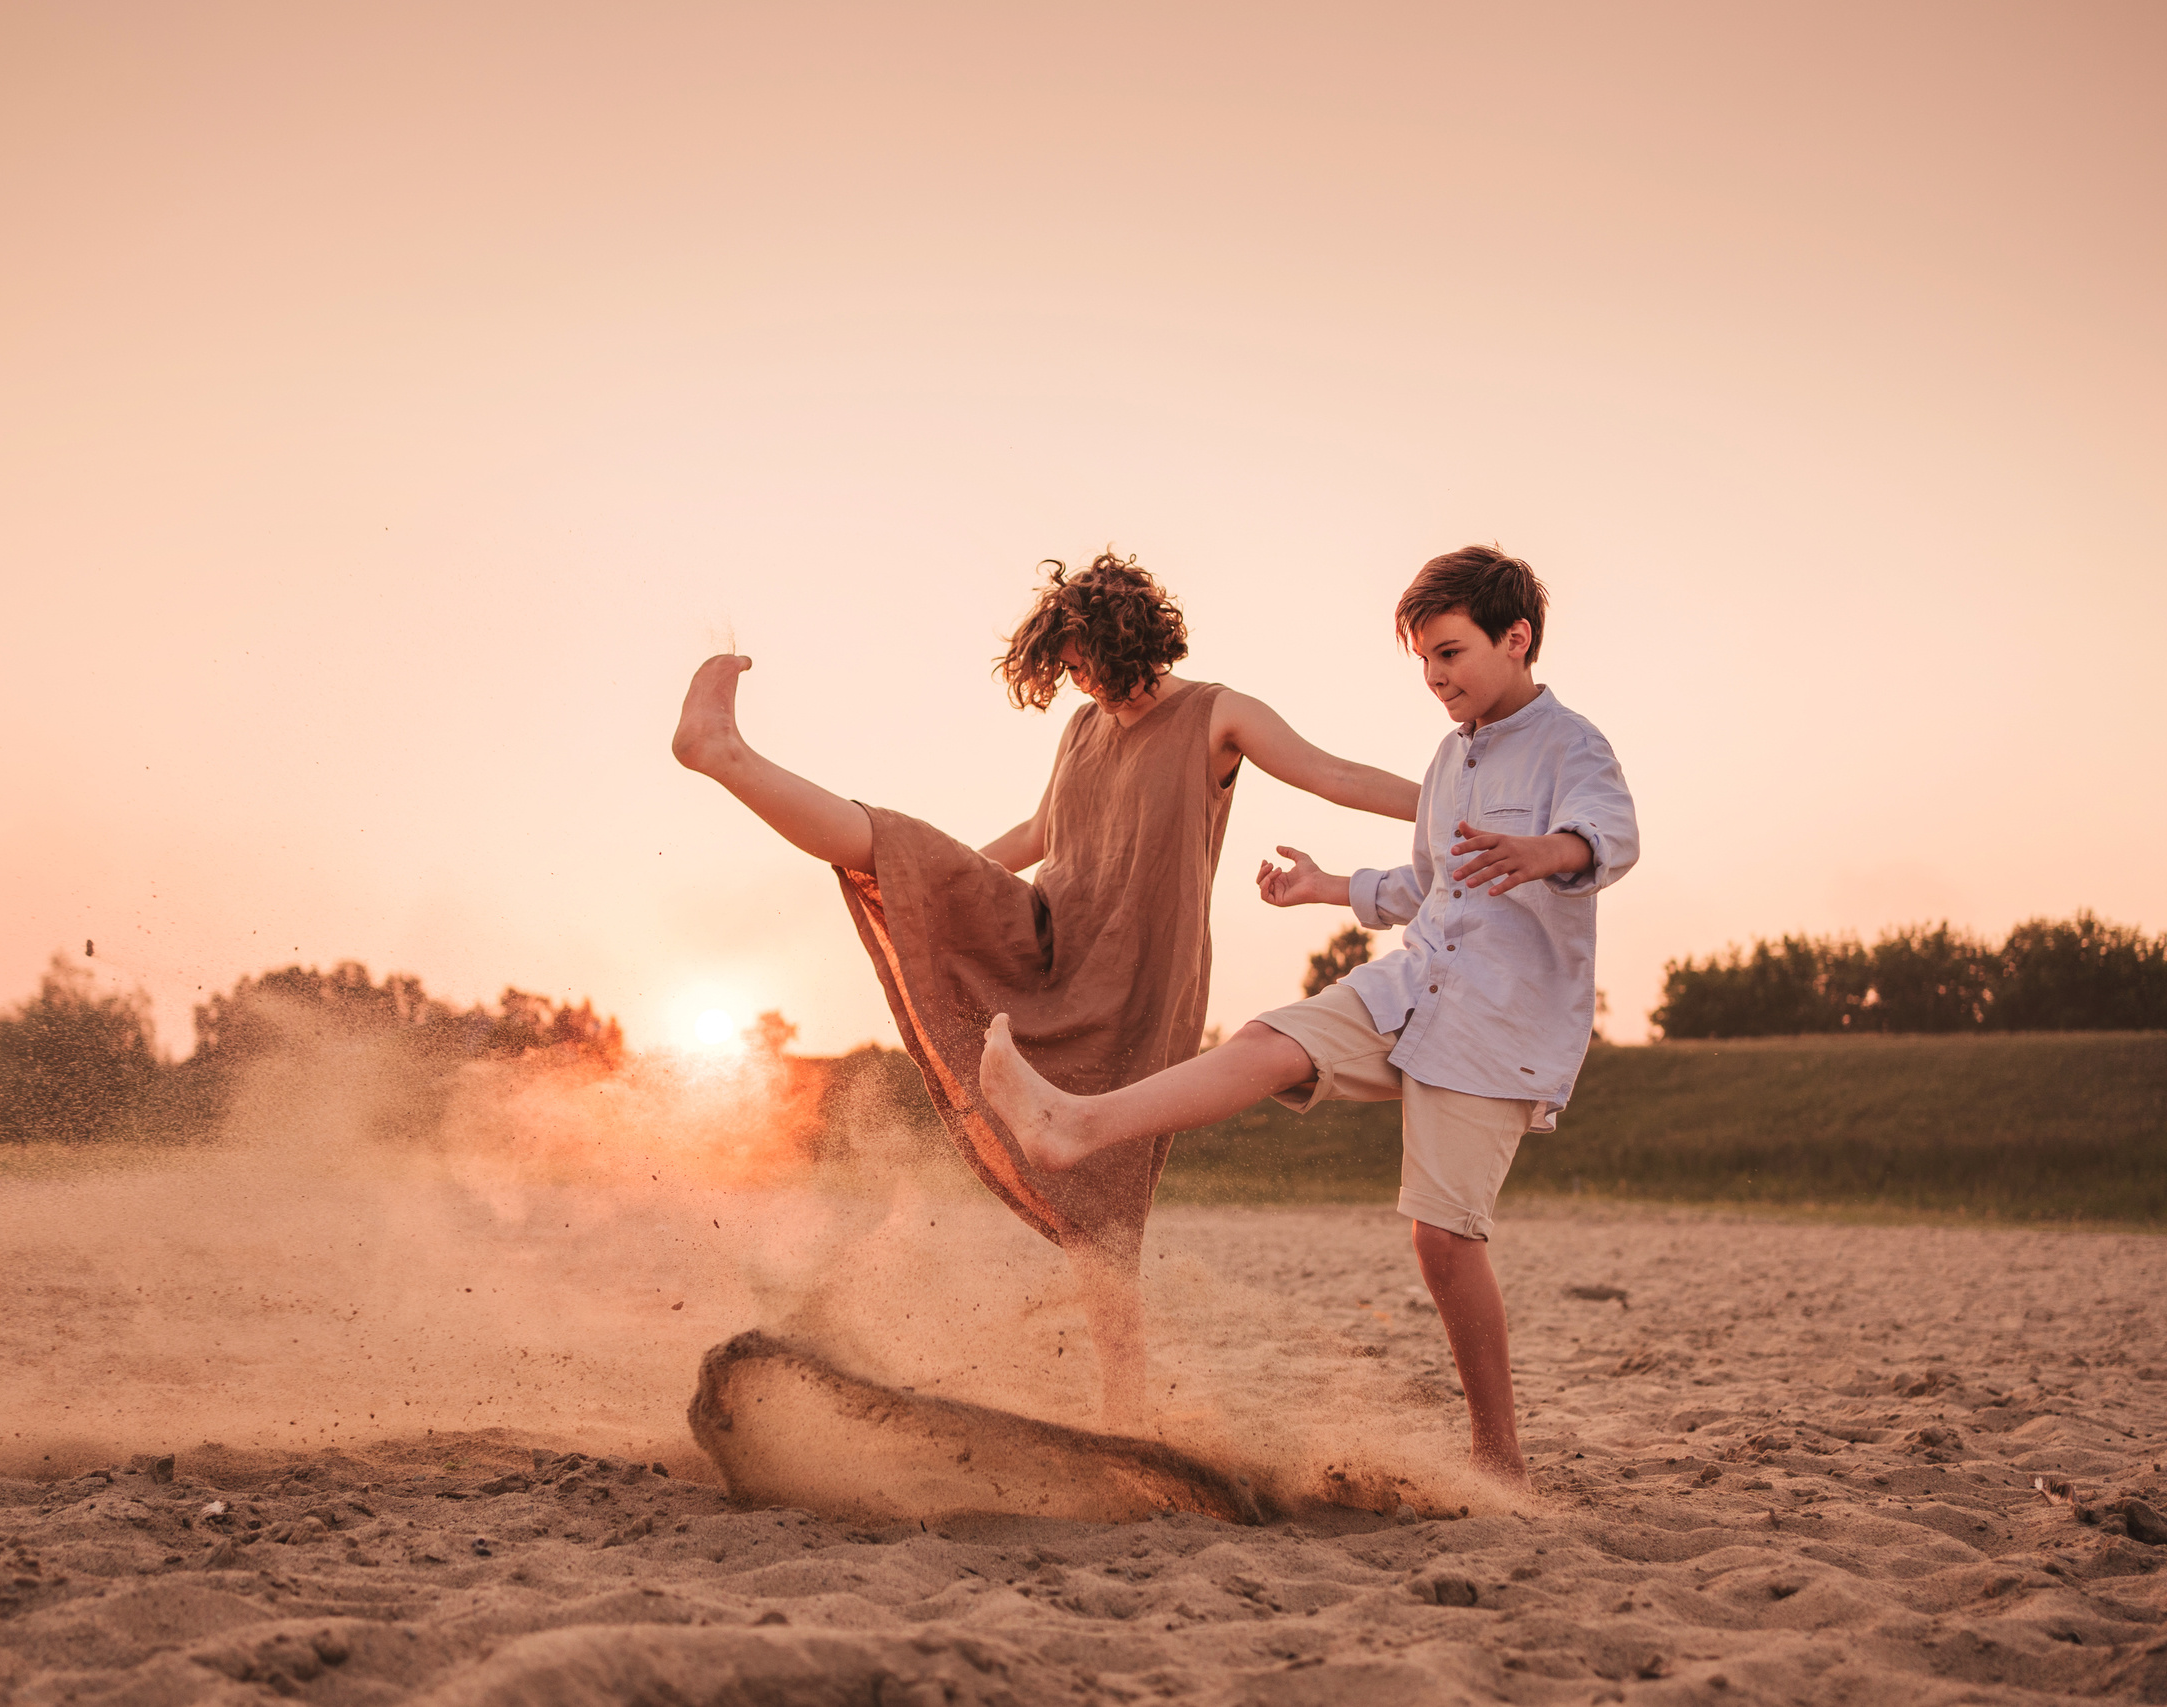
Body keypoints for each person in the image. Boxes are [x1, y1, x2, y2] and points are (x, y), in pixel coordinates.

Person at [672, 552, 1420, 1424]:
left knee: (1108, 1213)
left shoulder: (1219, 715)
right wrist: (929, 894)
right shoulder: (1081, 727)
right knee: (892, 845)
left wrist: (1446, 805)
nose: (1072, 678)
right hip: (1044, 936)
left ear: (1124, 634)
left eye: (1078, 658)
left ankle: (1123, 1412)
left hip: (1137, 983)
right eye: (1063, 664)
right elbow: (1042, 829)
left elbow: (1333, 775)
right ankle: (721, 752)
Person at [977, 544, 1638, 1479]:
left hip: (1498, 1022)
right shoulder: (1452, 758)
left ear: (1515, 638)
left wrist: (1549, 852)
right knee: (1266, 1040)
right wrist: (1330, 885)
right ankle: (1074, 1122)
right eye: (1424, 660)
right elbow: (1430, 881)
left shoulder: (1573, 744)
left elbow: (1613, 836)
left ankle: (1499, 1460)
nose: (1435, 677)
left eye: (1449, 653)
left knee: (1443, 1243)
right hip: (1413, 984)